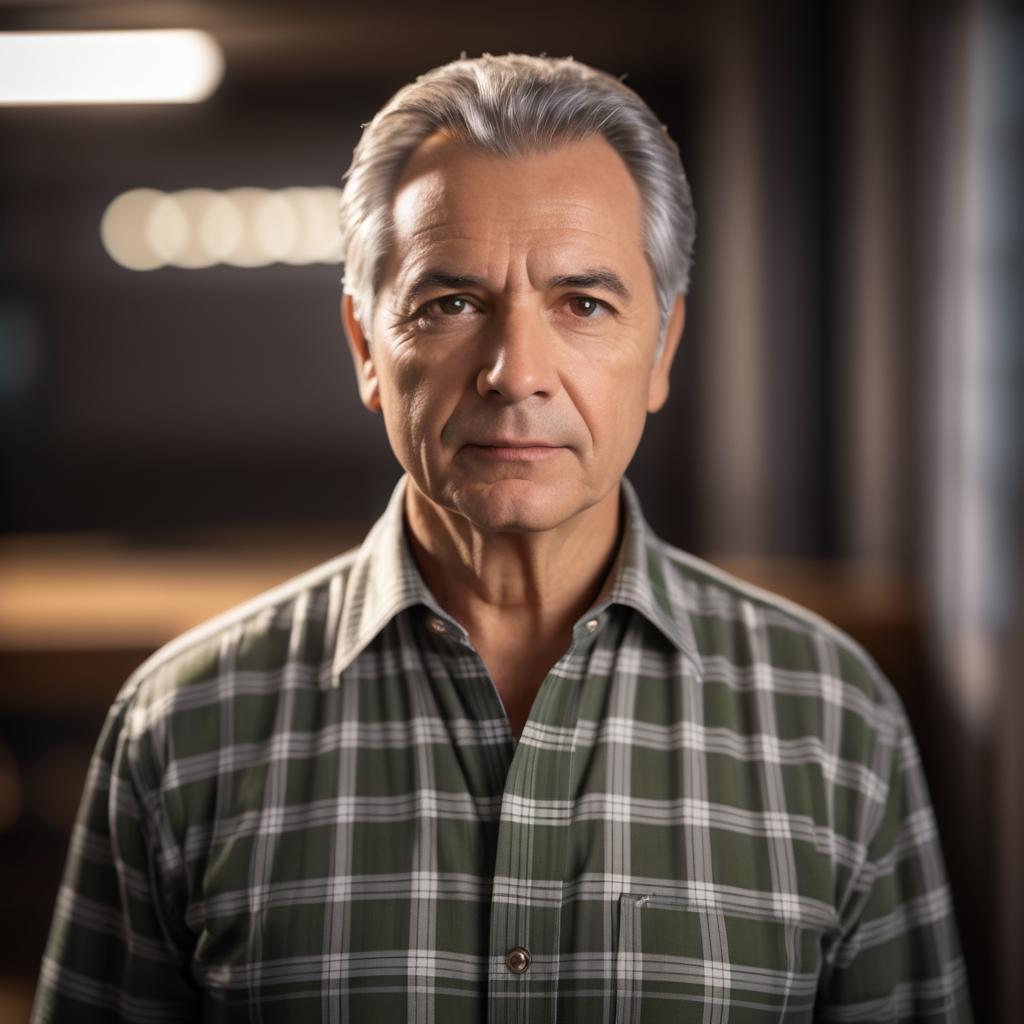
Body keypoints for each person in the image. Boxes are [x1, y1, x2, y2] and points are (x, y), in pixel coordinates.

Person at [32, 53, 972, 1022]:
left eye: (583, 304)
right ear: (365, 346)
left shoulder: (834, 723)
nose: (514, 371)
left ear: (662, 349)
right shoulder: (183, 729)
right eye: (452, 304)